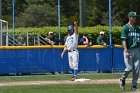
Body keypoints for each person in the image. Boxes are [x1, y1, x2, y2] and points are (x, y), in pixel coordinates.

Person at [119, 11, 140, 91]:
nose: (135, 18)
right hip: (129, 50)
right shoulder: (126, 27)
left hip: (137, 50)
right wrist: (126, 51)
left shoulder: (138, 28)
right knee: (129, 68)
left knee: (137, 69)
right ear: (129, 18)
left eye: (135, 17)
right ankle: (122, 79)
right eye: (133, 17)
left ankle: (134, 85)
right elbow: (123, 40)